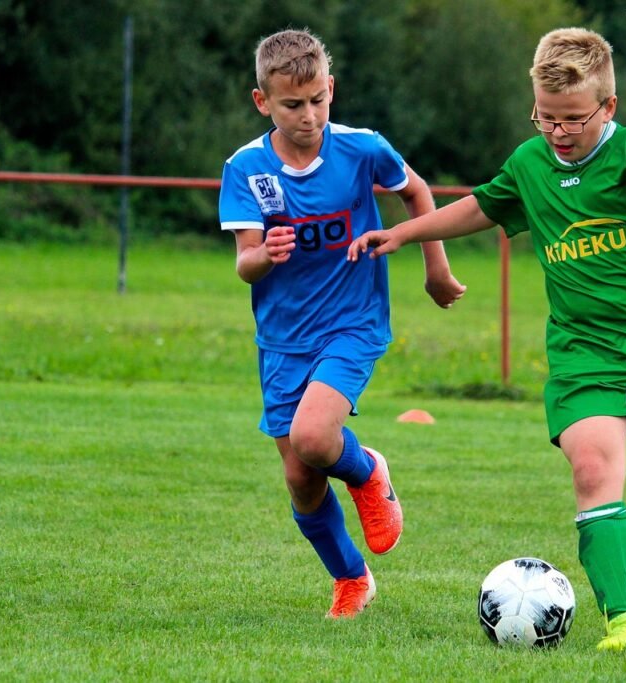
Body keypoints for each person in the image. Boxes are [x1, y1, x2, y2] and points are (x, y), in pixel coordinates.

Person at [349, 27, 626, 651]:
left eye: (573, 119)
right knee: (591, 467)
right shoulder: (531, 163)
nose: (557, 131)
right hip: (584, 351)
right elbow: (482, 206)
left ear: (608, 108)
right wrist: (407, 233)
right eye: (544, 117)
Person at [219, 28, 466, 619]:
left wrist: (435, 268)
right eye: (292, 105)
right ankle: (352, 579)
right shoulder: (247, 168)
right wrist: (264, 254)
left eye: (318, 101)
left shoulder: (362, 148)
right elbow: (244, 265)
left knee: (313, 437)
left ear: (331, 89)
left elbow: (418, 192)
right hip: (282, 337)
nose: (308, 116)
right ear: (263, 102)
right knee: (301, 477)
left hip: (352, 323)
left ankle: (368, 471)